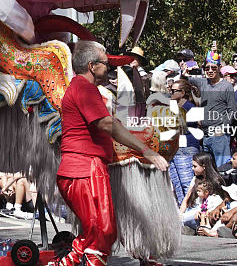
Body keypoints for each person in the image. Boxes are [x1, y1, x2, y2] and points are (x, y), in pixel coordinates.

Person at [51, 40, 168, 266]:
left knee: (98, 232)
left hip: (83, 170)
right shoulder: (84, 88)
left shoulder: (81, 87)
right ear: (92, 66)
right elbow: (107, 125)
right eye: (106, 63)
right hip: (85, 170)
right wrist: (146, 151)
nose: (110, 67)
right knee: (102, 232)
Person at [187, 61, 237, 167]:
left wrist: (223, 129)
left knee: (222, 168)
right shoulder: (203, 82)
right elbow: (185, 80)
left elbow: (232, 110)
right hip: (205, 134)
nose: (210, 70)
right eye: (207, 68)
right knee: (207, 170)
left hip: (219, 136)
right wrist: (184, 72)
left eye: (213, 68)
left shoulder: (226, 86)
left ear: (219, 68)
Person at [168, 80, 201, 204]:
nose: (170, 92)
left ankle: (193, 209)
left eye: (173, 91)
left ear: (182, 93)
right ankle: (182, 210)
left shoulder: (190, 107)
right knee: (176, 183)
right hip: (174, 147)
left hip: (186, 147)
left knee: (187, 182)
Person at [178, 152, 227, 231]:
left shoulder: (216, 181)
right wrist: (180, 213)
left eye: (195, 166)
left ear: (204, 166)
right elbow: (187, 198)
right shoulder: (195, 179)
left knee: (185, 218)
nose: (192, 169)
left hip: (206, 212)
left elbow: (219, 201)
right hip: (195, 210)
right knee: (183, 216)